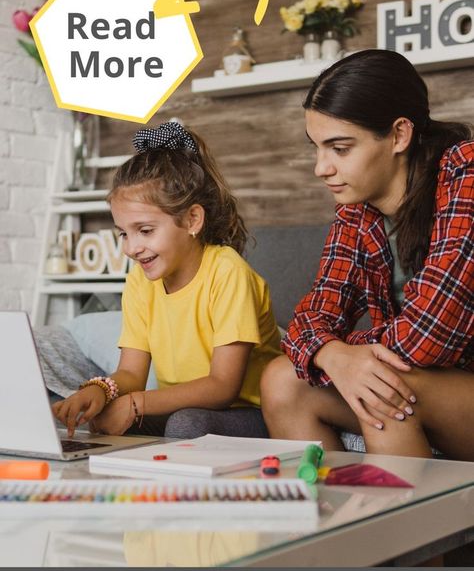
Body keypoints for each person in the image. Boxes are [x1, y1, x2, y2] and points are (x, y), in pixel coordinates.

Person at [261, 49, 474, 461]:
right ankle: (333, 521)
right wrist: (334, 353)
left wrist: (346, 353)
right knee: (281, 381)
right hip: (426, 385)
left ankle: (409, 527)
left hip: (457, 387)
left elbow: (427, 335)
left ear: (398, 135)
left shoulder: (465, 173)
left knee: (382, 383)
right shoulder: (356, 212)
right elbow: (312, 315)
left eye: (340, 148)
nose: (321, 167)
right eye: (317, 148)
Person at [53, 121, 281, 439]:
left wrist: (136, 403)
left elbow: (222, 387)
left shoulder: (228, 273)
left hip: (247, 412)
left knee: (186, 424)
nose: (132, 248)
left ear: (192, 220)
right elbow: (132, 372)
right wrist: (100, 391)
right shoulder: (139, 280)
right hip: (180, 408)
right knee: (107, 420)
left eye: (145, 230)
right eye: (123, 233)